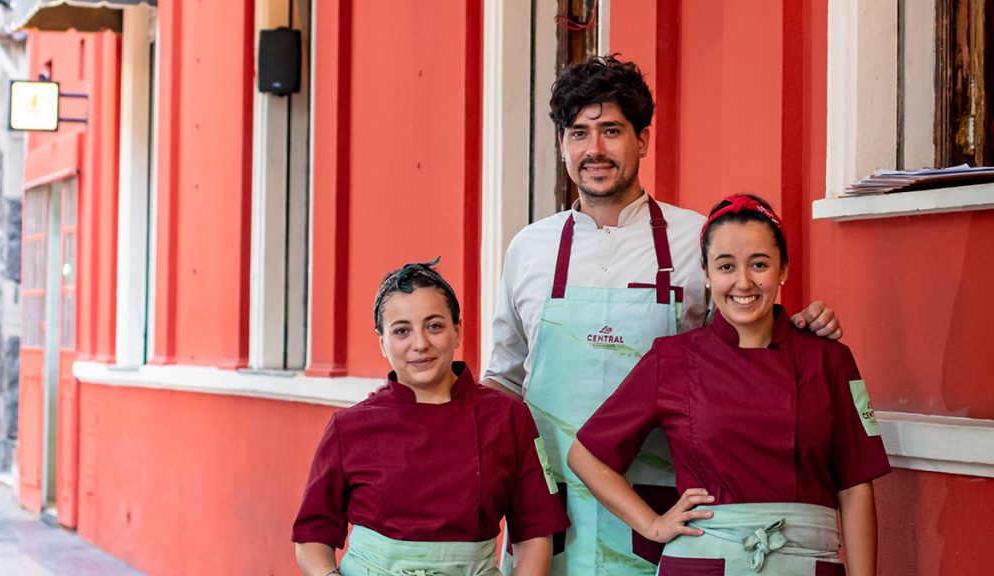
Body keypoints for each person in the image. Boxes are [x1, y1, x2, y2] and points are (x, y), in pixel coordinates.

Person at [483, 55, 843, 574]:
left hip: (666, 509)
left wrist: (804, 327)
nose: (595, 149)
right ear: (562, 145)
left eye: (612, 131)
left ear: (643, 140)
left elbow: (745, 337)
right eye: (579, 133)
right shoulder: (528, 248)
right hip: (548, 509)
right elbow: (504, 380)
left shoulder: (694, 238)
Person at [569, 194, 890, 575]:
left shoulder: (829, 359)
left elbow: (855, 487)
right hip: (702, 564)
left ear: (783, 268)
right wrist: (652, 525)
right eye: (725, 266)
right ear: (706, 273)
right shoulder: (672, 359)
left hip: (809, 564)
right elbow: (586, 456)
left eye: (759, 264)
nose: (743, 282)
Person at [292, 259, 570, 576]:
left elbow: (535, 533)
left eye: (434, 326)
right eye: (402, 331)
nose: (420, 344)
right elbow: (312, 537)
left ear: (457, 331)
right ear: (383, 342)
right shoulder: (348, 427)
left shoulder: (508, 418)